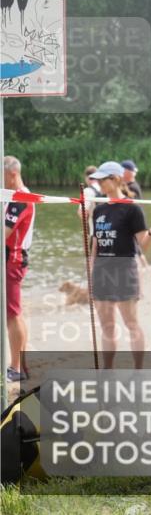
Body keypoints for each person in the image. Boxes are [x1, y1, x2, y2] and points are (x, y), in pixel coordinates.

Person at [89, 161, 151, 368]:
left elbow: (143, 244)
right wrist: (91, 271)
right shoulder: (99, 209)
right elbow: (95, 243)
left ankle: (139, 368)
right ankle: (107, 369)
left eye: (102, 179)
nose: (98, 183)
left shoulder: (132, 209)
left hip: (124, 268)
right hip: (102, 270)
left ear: (115, 180)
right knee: (107, 325)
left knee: (131, 323)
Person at [4, 156, 35, 383]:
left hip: (12, 260)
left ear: (12, 174)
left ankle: (16, 368)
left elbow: (3, 233)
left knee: (12, 315)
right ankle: (20, 364)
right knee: (15, 313)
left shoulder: (20, 198)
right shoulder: (14, 196)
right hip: (13, 258)